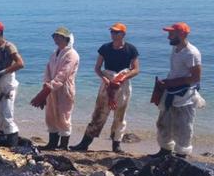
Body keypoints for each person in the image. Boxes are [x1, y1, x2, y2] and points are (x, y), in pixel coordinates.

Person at [70, 23, 139, 153]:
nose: (113, 34)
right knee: (99, 113)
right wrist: (105, 79)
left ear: (123, 34)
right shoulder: (105, 48)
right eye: (112, 32)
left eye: (116, 32)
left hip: (123, 84)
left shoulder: (131, 49)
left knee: (120, 115)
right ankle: (84, 143)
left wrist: (122, 78)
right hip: (106, 82)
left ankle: (116, 145)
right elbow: (97, 68)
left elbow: (136, 69)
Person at [150, 22, 203, 158]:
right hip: (170, 90)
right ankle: (165, 150)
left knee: (183, 126)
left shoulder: (191, 53)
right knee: (163, 122)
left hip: (185, 94)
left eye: (171, 34)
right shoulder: (175, 48)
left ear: (182, 34)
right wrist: (167, 83)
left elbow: (196, 77)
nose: (169, 37)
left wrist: (171, 82)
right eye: (169, 33)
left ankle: (182, 154)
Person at [30, 27, 80, 150]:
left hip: (64, 89)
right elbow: (48, 70)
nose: (56, 39)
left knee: (63, 115)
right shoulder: (55, 53)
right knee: (51, 115)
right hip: (51, 88)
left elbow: (63, 75)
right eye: (55, 36)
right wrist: (46, 86)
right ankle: (52, 143)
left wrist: (45, 91)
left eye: (59, 37)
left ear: (66, 39)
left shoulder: (72, 55)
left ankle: (63, 145)